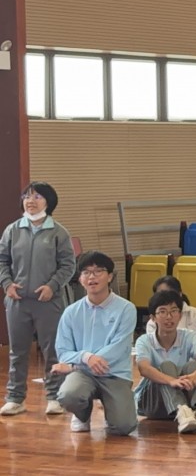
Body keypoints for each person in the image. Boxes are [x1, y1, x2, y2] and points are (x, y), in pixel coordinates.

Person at [0, 182, 76, 416]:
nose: (30, 201)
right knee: (18, 351)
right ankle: (15, 398)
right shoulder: (13, 230)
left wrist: (52, 286)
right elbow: (2, 260)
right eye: (27, 196)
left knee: (52, 350)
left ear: (48, 202)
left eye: (37, 197)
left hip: (48, 302)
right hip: (17, 301)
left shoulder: (58, 232)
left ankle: (54, 397)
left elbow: (68, 265)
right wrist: (7, 284)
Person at [52, 251, 138, 436]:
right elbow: (63, 351)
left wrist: (80, 363)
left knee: (124, 427)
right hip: (83, 373)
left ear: (110, 276)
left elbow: (120, 347)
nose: (92, 277)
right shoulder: (71, 312)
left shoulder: (126, 309)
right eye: (86, 272)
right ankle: (82, 414)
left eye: (98, 271)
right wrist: (86, 357)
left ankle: (113, 412)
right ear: (80, 279)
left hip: (114, 373)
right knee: (68, 395)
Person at [135, 289, 196, 433]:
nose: (169, 317)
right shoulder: (144, 340)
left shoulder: (189, 336)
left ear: (180, 315)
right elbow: (144, 368)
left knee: (194, 365)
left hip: (185, 395)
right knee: (166, 365)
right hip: (154, 402)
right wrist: (171, 380)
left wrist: (195, 376)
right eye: (162, 312)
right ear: (153, 318)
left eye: (174, 311)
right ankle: (181, 410)